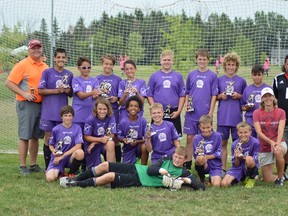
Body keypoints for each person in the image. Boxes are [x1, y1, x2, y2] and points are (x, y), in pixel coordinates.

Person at [60, 146, 206, 191]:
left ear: (185, 159)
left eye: (180, 158)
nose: (176, 159)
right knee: (105, 165)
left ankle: (77, 184)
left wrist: (185, 180)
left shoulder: (184, 172)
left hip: (139, 180)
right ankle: (76, 178)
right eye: (176, 156)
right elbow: (150, 170)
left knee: (110, 176)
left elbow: (201, 187)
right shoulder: (166, 160)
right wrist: (162, 171)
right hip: (136, 168)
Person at [5, 39, 48, 175]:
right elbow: (9, 83)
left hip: (41, 105)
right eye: (33, 48)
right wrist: (24, 93)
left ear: (42, 49)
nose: (36, 50)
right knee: (25, 135)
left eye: (38, 48)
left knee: (35, 136)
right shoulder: (22, 64)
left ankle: (33, 164)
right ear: (29, 50)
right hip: (26, 104)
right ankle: (22, 166)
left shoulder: (45, 66)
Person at [38, 48, 73, 170]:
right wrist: (56, 90)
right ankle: (48, 166)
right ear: (54, 58)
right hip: (48, 112)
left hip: (61, 113)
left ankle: (59, 165)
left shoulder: (69, 74)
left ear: (66, 59)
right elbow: (40, 90)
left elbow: (71, 94)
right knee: (48, 137)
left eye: (63, 57)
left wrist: (68, 91)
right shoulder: (47, 72)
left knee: (60, 138)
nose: (61, 59)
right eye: (58, 57)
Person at [184, 49, 218, 170]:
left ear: (208, 60)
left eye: (204, 59)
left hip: (204, 113)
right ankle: (187, 165)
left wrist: (210, 112)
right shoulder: (191, 74)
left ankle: (205, 166)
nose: (202, 61)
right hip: (192, 113)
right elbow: (187, 92)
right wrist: (187, 105)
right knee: (189, 138)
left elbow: (214, 95)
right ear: (196, 59)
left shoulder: (213, 75)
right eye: (200, 59)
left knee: (205, 139)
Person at [216, 52, 247, 172]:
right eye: (228, 64)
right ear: (225, 66)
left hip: (236, 118)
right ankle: (223, 169)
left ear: (236, 66)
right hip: (223, 118)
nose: (230, 67)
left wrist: (239, 95)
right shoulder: (219, 80)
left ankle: (237, 168)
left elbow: (246, 98)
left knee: (237, 144)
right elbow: (214, 96)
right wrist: (220, 96)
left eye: (233, 65)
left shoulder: (241, 81)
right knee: (223, 144)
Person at [147, 50, 185, 138]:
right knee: (156, 138)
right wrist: (155, 109)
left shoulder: (178, 76)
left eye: (169, 60)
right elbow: (149, 94)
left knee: (175, 139)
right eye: (164, 60)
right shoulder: (154, 76)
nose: (166, 62)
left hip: (174, 112)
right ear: (160, 61)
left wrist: (178, 111)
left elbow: (182, 95)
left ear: (172, 61)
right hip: (158, 113)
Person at [253, 87, 287, 186]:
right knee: (267, 179)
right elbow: (259, 132)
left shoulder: (281, 112)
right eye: (265, 96)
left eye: (269, 96)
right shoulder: (256, 113)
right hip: (265, 145)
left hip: (279, 141)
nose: (268, 98)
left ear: (273, 97)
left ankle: (279, 179)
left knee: (277, 151)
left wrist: (277, 144)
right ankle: (283, 176)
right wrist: (271, 142)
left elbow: (281, 130)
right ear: (262, 99)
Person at [45, 105, 84, 182]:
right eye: (65, 116)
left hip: (70, 157)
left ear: (73, 116)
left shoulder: (77, 128)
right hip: (58, 157)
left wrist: (63, 156)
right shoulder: (56, 129)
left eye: (70, 116)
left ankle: (71, 173)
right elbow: (51, 144)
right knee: (50, 179)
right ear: (61, 117)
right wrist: (54, 152)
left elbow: (78, 145)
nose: (68, 118)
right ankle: (60, 172)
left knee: (80, 153)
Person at [97, 55, 122, 162]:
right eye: (106, 64)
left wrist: (116, 98)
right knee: (101, 135)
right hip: (101, 113)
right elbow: (94, 96)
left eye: (110, 64)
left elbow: (120, 98)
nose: (108, 66)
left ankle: (117, 164)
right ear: (102, 64)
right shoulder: (96, 79)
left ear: (113, 66)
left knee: (114, 138)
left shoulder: (118, 79)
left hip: (114, 112)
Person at [221, 122, 260, 188]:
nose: (243, 135)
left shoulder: (255, 142)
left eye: (245, 132)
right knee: (224, 184)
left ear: (250, 132)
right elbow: (236, 164)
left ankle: (251, 178)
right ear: (237, 133)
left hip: (249, 166)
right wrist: (237, 157)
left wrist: (243, 157)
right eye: (241, 132)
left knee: (249, 159)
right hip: (238, 167)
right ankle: (242, 179)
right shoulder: (234, 144)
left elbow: (255, 159)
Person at [83, 97, 116, 169]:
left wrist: (96, 142)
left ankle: (111, 169)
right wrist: (99, 140)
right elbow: (86, 137)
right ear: (96, 109)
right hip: (91, 145)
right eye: (100, 109)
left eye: (104, 109)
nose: (102, 111)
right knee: (95, 171)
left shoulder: (111, 117)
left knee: (111, 143)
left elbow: (111, 135)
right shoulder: (90, 119)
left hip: (101, 143)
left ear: (108, 109)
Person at [241, 64, 271, 138]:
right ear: (251, 75)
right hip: (250, 120)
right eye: (255, 75)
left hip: (265, 120)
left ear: (263, 75)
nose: (257, 77)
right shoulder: (247, 89)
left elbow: (273, 106)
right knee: (252, 143)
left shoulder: (268, 89)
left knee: (263, 143)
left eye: (259, 75)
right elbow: (242, 107)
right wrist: (247, 107)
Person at [117, 96, 148, 164]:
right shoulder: (123, 121)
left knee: (144, 146)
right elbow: (119, 137)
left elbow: (146, 138)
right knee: (127, 170)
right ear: (127, 108)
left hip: (139, 146)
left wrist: (137, 141)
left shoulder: (143, 121)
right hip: (128, 148)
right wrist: (123, 140)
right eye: (131, 106)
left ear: (139, 109)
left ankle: (143, 168)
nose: (133, 108)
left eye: (136, 106)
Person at [193, 115, 222, 186]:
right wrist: (202, 157)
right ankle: (202, 179)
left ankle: (211, 178)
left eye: (208, 127)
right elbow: (195, 155)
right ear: (200, 127)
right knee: (199, 159)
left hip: (215, 165)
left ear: (212, 126)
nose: (206, 130)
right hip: (204, 163)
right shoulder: (196, 138)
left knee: (216, 185)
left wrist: (207, 157)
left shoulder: (217, 136)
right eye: (203, 128)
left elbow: (219, 152)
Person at [72, 57, 100, 130]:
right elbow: (80, 95)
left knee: (89, 137)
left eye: (89, 67)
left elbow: (95, 96)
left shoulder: (95, 80)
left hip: (91, 115)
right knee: (78, 138)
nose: (87, 69)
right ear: (78, 68)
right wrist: (93, 92)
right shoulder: (75, 80)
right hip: (78, 116)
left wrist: (97, 94)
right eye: (84, 67)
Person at [272, 54, 288, 179]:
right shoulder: (278, 79)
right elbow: (275, 98)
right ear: (284, 64)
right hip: (283, 120)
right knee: (284, 146)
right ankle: (283, 172)